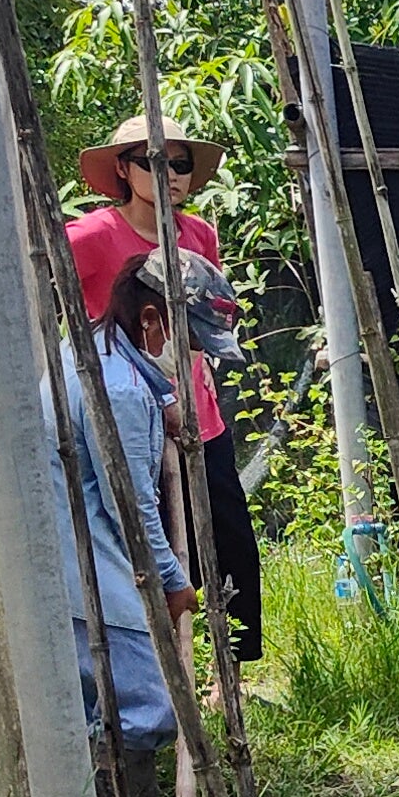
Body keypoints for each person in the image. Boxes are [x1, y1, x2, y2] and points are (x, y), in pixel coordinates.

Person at [66, 113, 261, 668]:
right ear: (124, 171)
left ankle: (230, 670)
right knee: (144, 538)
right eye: (156, 162)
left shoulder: (199, 235)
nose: (172, 174)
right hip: (131, 413)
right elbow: (47, 285)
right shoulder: (94, 236)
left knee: (228, 543)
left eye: (181, 164)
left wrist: (197, 389)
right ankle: (157, 664)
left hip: (198, 411)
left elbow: (211, 316)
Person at [59, 265, 197, 797]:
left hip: (77, 563)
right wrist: (174, 582)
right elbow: (132, 506)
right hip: (91, 574)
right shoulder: (115, 388)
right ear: (150, 320)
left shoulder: (98, 356)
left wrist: (159, 409)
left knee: (109, 707)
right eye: (186, 340)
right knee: (145, 707)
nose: (188, 358)